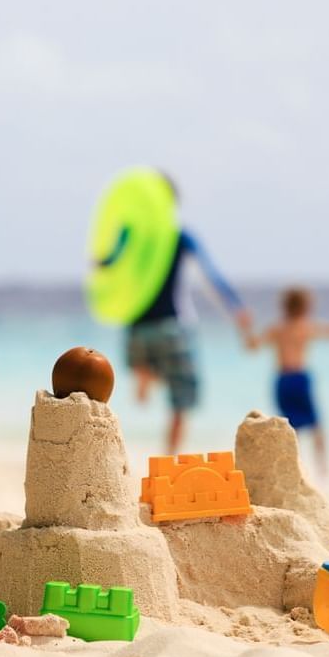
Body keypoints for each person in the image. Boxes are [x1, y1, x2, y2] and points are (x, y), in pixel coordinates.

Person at [123, 178, 251, 453]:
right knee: (181, 402)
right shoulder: (179, 237)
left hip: (136, 328)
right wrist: (236, 309)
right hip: (173, 327)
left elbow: (111, 273)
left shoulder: (134, 237)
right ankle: (169, 457)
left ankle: (145, 375)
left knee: (150, 375)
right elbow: (209, 278)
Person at [243, 287, 329, 477]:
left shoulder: (277, 329)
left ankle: (297, 470)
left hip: (284, 380)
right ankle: (322, 470)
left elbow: (252, 347)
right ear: (306, 307)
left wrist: (245, 327)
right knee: (315, 427)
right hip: (300, 379)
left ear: (284, 306)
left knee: (290, 430)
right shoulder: (306, 327)